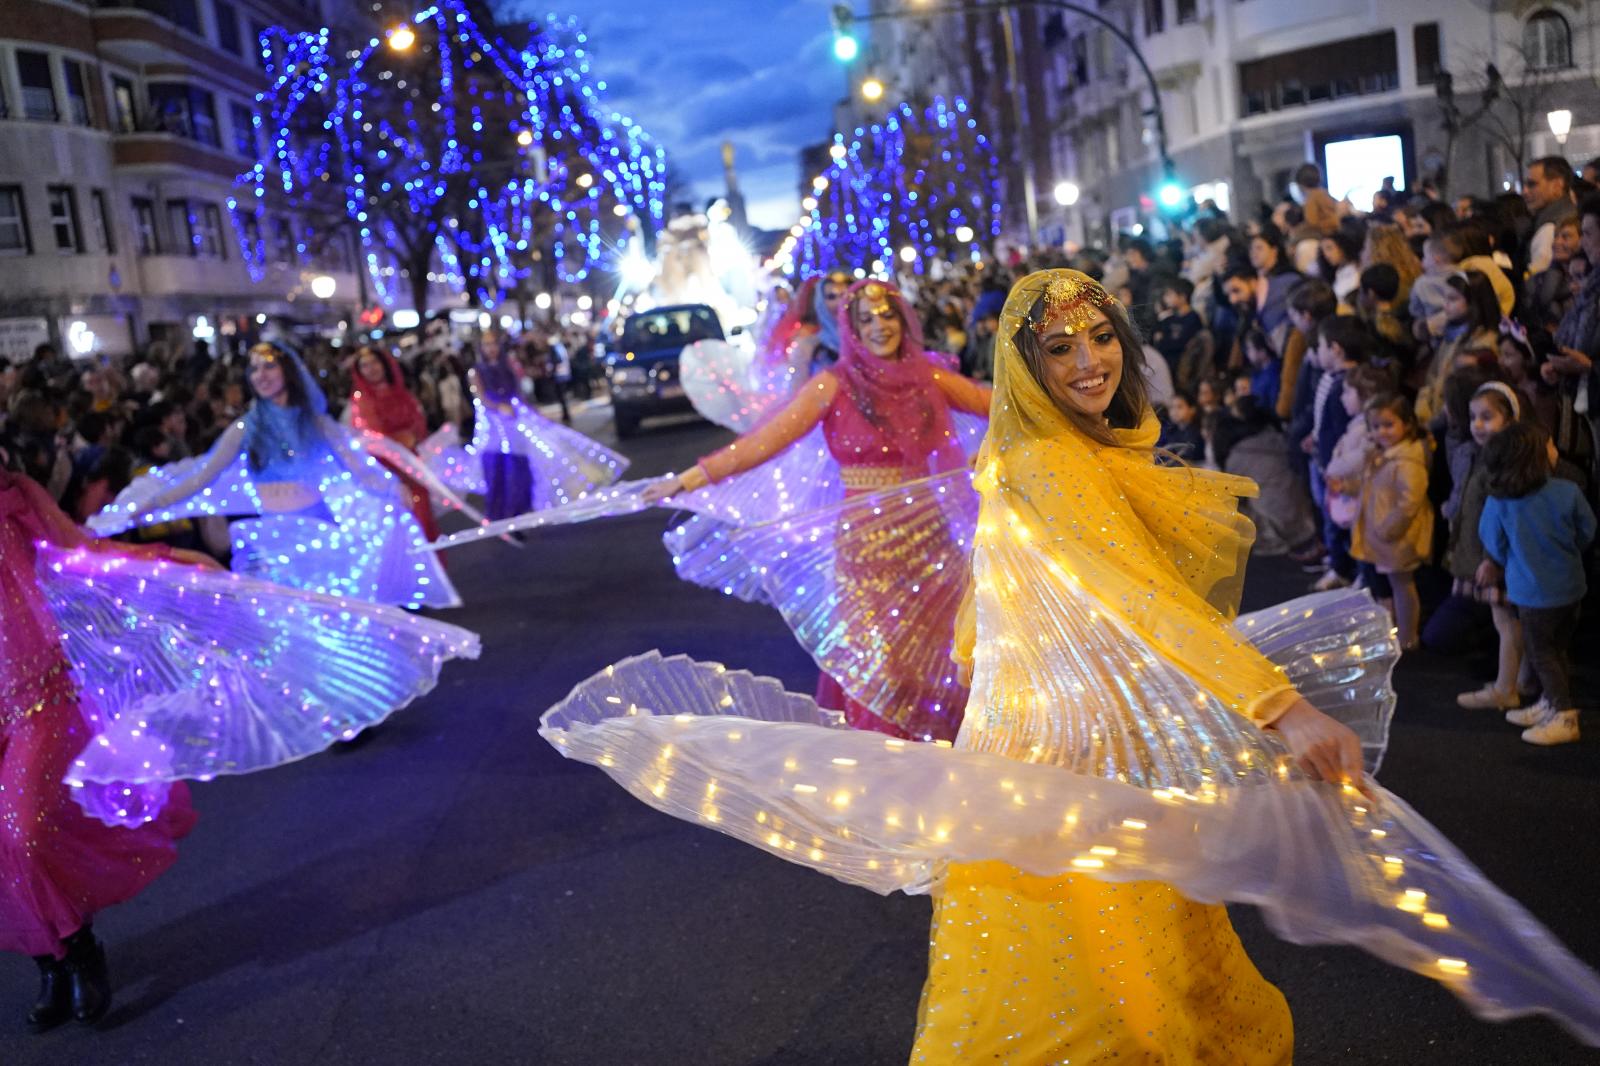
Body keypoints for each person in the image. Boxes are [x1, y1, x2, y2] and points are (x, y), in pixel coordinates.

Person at [544, 268, 1600, 1056]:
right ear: (1024, 365)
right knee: (1103, 964)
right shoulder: (1042, 459)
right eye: (1060, 348)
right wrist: (1274, 706)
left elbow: (1008, 603)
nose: (1090, 360)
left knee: (1116, 933)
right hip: (1057, 739)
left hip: (1052, 728)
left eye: (1101, 336)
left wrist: (986, 684)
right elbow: (1134, 598)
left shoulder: (1023, 443)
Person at [644, 279, 992, 742]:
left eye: (887, 315)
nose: (879, 327)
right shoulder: (834, 384)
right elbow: (762, 444)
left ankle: (952, 746)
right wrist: (689, 479)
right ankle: (893, 764)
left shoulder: (927, 378)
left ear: (904, 320)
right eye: (865, 320)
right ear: (848, 329)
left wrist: (993, 450)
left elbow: (1004, 405)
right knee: (881, 662)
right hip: (868, 549)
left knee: (942, 653)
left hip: (931, 538)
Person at [89, 341, 460, 609]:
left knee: (329, 614)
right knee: (282, 620)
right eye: (254, 369)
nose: (260, 375)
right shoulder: (244, 429)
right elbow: (200, 477)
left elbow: (360, 467)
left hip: (315, 529)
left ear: (288, 371)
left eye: (269, 366)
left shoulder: (316, 423)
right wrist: (147, 506)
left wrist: (394, 489)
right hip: (271, 536)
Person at [1481, 420, 1596, 745]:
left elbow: (1494, 544)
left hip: (1532, 594)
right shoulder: (1568, 490)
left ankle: (1564, 715)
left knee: (1542, 654)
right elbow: (1587, 531)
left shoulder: (1499, 501)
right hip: (1571, 587)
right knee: (1558, 649)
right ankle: (1549, 703)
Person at [467, 331, 627, 523]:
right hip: (493, 432)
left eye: (493, 344)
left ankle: (518, 512)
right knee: (498, 473)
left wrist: (531, 413)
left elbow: (518, 393)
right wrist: (499, 407)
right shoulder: (477, 371)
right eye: (486, 345)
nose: (491, 349)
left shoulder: (507, 366)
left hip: (515, 428)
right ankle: (498, 516)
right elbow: (482, 398)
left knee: (521, 471)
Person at [1450, 382, 1524, 709]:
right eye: (1473, 417)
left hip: (1496, 559)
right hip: (1487, 556)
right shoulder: (1483, 455)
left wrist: (1491, 559)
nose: (1477, 425)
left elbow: (1502, 517)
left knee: (1506, 621)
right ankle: (1520, 680)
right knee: (1509, 621)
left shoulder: (1504, 462)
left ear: (1509, 420)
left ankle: (1505, 689)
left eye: (1487, 417)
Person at [1351, 391, 1433, 651]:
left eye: (1388, 425)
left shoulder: (1407, 461)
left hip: (1398, 536)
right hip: (1384, 535)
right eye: (1375, 427)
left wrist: (1389, 528)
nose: (1382, 432)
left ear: (1406, 424)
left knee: (1403, 586)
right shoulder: (1382, 455)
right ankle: (1396, 629)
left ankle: (1408, 636)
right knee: (1394, 585)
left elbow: (1410, 501)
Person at [348, 346, 438, 541]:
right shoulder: (361, 401)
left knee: (421, 522)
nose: (371, 368)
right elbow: (373, 437)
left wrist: (410, 438)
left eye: (374, 362)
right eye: (364, 366)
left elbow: (418, 425)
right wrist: (401, 440)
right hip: (386, 474)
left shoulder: (402, 393)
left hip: (413, 469)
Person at [1524, 156, 1578, 277]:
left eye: (1532, 184)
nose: (1525, 191)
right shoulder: (1567, 216)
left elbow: (1540, 282)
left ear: (1557, 186)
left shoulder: (1551, 228)